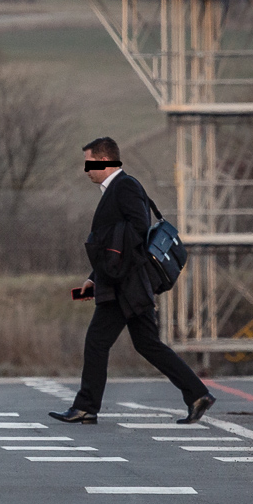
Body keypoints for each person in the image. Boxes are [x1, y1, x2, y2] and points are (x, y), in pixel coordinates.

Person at [49, 137, 214, 425]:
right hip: (123, 283)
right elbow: (121, 239)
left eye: (88, 162)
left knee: (97, 342)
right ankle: (197, 394)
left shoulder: (125, 186)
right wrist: (94, 277)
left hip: (125, 286)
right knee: (147, 344)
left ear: (103, 161)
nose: (85, 169)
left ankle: (86, 407)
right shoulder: (116, 189)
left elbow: (138, 228)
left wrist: (108, 272)